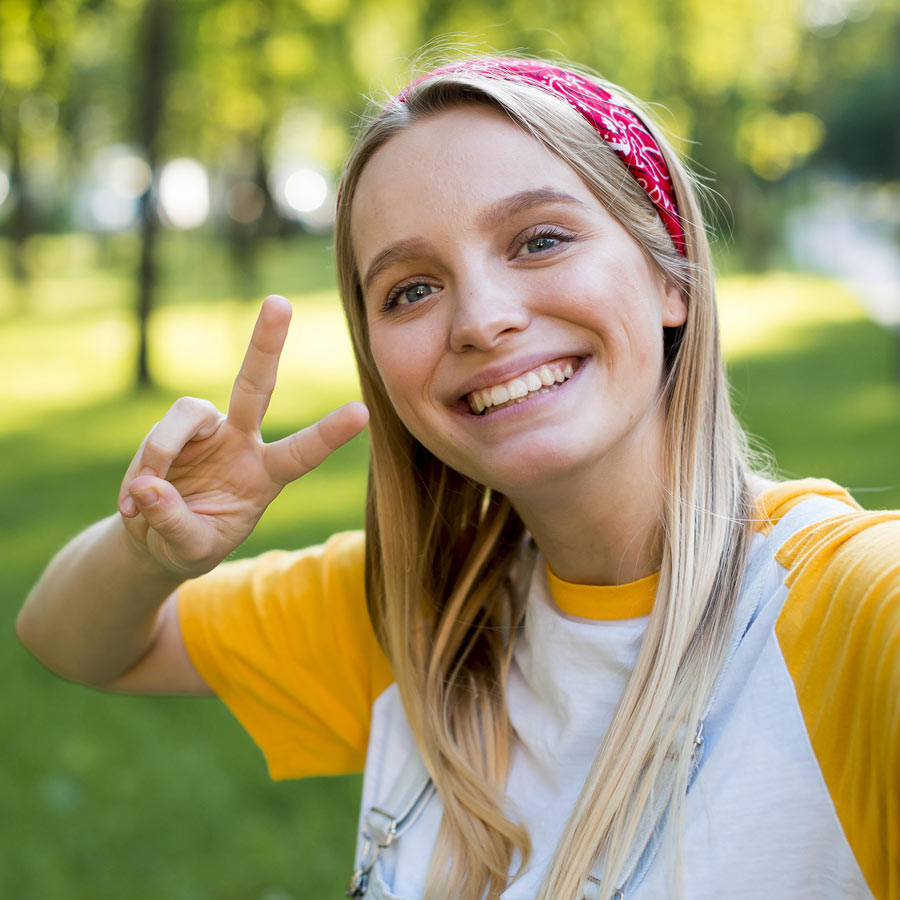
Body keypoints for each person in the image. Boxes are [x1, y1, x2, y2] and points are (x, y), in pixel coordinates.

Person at [17, 56, 899, 900]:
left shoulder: (852, 612)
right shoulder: (420, 611)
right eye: (410, 290)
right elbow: (72, 640)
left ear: (672, 277)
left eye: (540, 240)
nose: (480, 319)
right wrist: (148, 553)